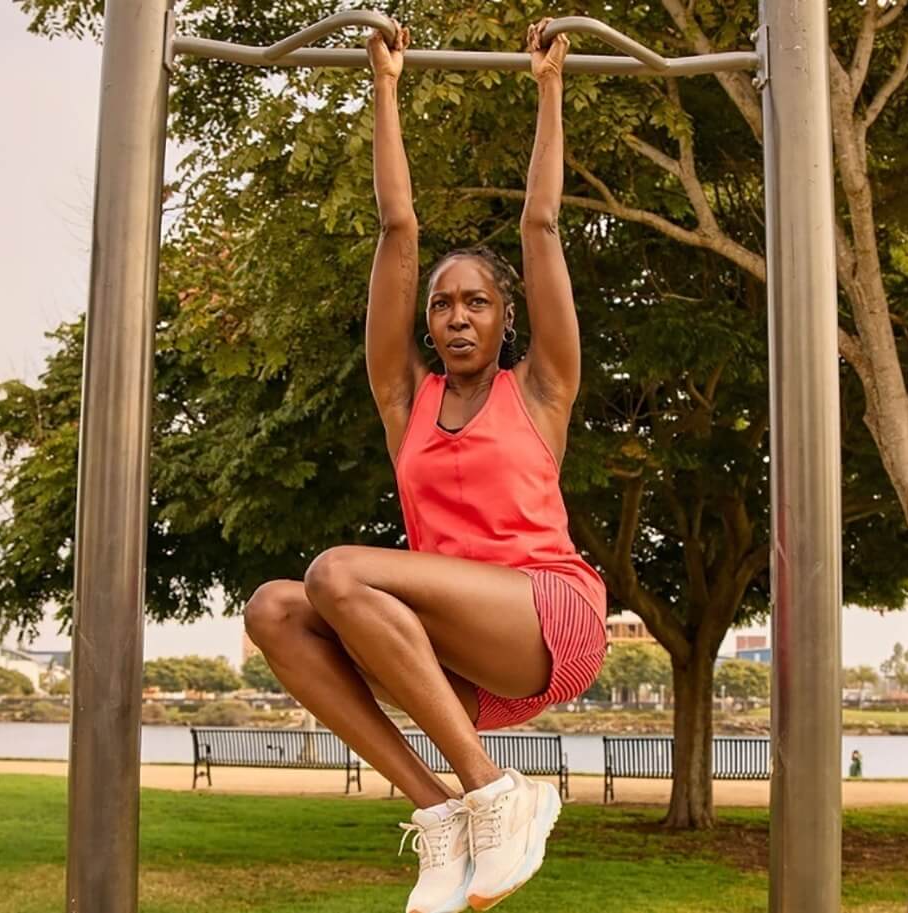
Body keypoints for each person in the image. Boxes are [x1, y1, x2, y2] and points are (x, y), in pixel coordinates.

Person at [240, 21, 606, 913]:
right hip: (460, 664)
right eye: (442, 304)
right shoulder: (405, 399)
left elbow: (542, 223)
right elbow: (396, 226)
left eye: (477, 301)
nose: (455, 316)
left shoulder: (543, 388)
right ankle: (441, 811)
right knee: (277, 608)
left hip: (546, 616)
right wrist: (385, 84)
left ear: (505, 318)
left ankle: (493, 790)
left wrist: (549, 91)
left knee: (336, 570)